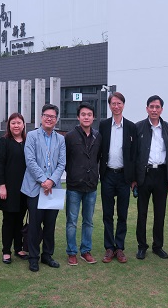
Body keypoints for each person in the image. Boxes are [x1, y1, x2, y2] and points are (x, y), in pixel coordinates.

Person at [21, 104, 66, 272]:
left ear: (56, 119)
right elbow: (30, 161)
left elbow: (62, 163)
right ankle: (33, 257)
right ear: (41, 117)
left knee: (50, 224)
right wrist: (43, 180)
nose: (49, 119)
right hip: (35, 187)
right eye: (46, 115)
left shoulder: (60, 139)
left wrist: (51, 181)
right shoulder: (32, 136)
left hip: (53, 188)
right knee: (34, 224)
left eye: (52, 117)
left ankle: (47, 255)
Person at [134, 95, 168, 260]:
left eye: (157, 107)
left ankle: (158, 246)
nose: (154, 110)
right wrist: (134, 178)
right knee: (141, 213)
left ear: (161, 110)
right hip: (145, 175)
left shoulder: (167, 128)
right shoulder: (139, 127)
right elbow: (134, 154)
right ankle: (142, 246)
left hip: (161, 175)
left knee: (160, 213)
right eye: (151, 107)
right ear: (146, 109)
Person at [98, 92, 137, 263]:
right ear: (109, 105)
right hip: (107, 175)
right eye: (113, 103)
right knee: (107, 214)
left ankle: (119, 248)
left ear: (123, 105)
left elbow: (134, 154)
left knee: (122, 214)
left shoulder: (131, 127)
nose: (116, 106)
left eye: (119, 103)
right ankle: (109, 248)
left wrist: (133, 178)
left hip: (123, 177)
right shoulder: (104, 125)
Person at [65, 102, 102, 266]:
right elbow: (65, 160)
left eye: (89, 114)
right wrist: (74, 173)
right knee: (71, 221)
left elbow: (98, 158)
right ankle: (72, 252)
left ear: (93, 117)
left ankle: (85, 250)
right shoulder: (70, 136)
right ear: (78, 117)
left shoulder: (97, 136)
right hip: (74, 186)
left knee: (88, 221)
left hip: (91, 185)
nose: (86, 117)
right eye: (83, 114)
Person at [0, 113, 29, 264]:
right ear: (9, 125)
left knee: (19, 220)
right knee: (8, 220)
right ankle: (6, 251)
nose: (16, 125)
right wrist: (2, 186)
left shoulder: (28, 141)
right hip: (8, 188)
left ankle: (18, 248)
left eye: (19, 123)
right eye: (13, 123)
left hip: (25, 188)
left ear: (23, 125)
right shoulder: (4, 141)